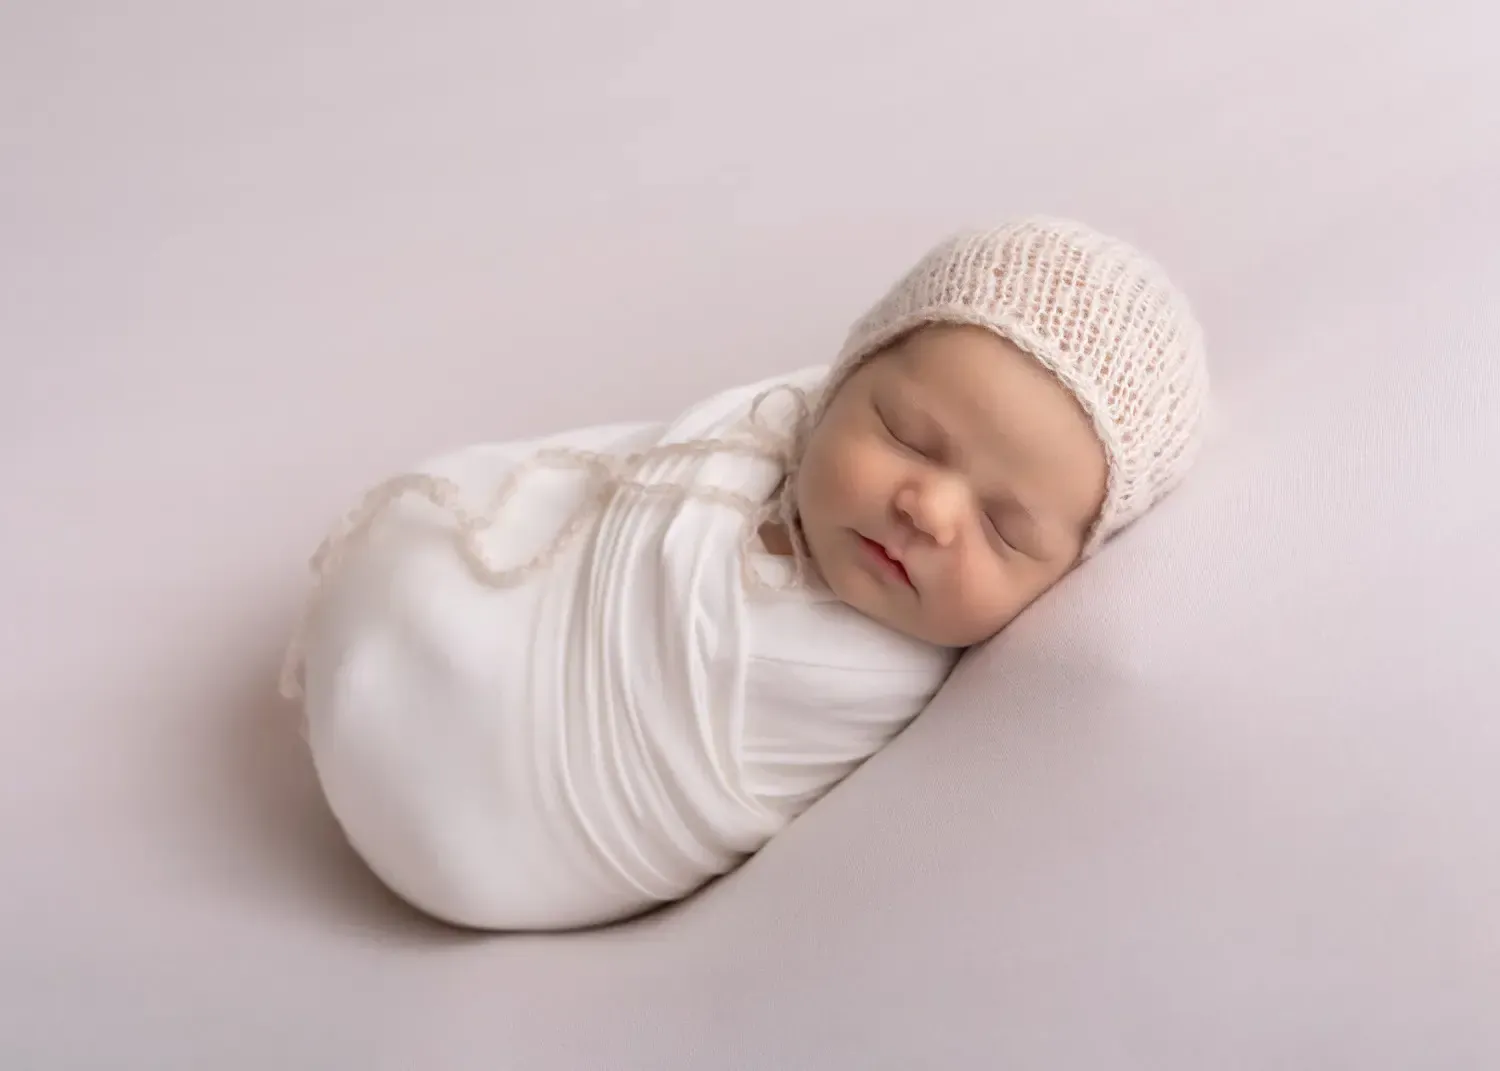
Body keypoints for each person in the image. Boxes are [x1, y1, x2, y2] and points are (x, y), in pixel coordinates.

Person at [279, 217, 1210, 931]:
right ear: (845, 375)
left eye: (1003, 528)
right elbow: (622, 471)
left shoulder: (864, 681)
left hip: (495, 822)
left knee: (435, 648)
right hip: (472, 624)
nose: (928, 508)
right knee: (430, 550)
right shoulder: (765, 427)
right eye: (904, 435)